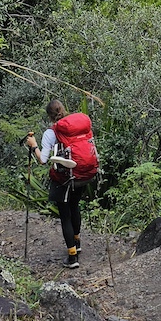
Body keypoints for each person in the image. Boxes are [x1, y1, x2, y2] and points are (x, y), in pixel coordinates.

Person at [24, 98, 98, 269]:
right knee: (75, 207)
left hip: (63, 179)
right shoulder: (78, 128)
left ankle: (72, 257)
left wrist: (34, 146)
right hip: (82, 174)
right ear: (64, 111)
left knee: (65, 215)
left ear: (49, 116)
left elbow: (43, 160)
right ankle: (77, 243)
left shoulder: (51, 133)